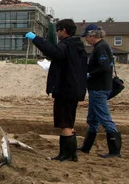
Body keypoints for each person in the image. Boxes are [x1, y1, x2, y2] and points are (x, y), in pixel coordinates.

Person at [25, 19, 87, 162]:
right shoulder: (78, 46)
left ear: (63, 30)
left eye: (58, 30)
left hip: (65, 89)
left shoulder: (66, 45)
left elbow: (53, 51)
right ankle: (72, 154)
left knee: (64, 122)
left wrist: (36, 39)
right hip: (75, 89)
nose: (57, 33)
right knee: (70, 121)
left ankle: (65, 155)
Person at [78, 24, 122, 158]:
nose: (86, 39)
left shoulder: (101, 47)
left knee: (104, 118)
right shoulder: (101, 46)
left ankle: (115, 151)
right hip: (97, 88)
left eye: (86, 36)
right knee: (93, 119)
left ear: (92, 35)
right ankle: (86, 147)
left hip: (99, 88)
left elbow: (104, 67)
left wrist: (89, 75)